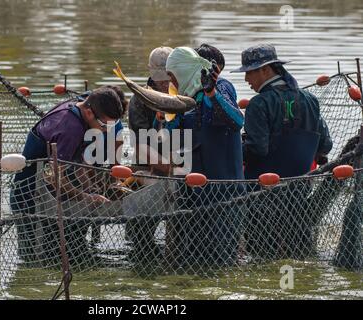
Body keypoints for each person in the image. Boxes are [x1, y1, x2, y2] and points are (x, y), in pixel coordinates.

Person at [231, 44, 333, 259]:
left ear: (266, 70)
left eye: (249, 71)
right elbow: (325, 146)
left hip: (262, 197)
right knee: (300, 255)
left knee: (261, 258)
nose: (246, 78)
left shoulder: (259, 104)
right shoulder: (310, 100)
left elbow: (257, 149)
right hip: (298, 193)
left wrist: (232, 149)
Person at [10, 86, 124, 268]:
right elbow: (53, 178)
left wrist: (89, 186)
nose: (105, 131)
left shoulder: (77, 110)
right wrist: (87, 197)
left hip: (55, 197)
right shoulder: (70, 128)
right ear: (88, 112)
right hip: (30, 198)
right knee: (33, 261)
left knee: (64, 257)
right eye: (104, 125)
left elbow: (76, 164)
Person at [164, 46, 245, 270]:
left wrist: (212, 93)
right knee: (194, 264)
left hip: (224, 195)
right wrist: (169, 116)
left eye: (173, 76)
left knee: (222, 263)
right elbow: (172, 139)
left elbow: (236, 121)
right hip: (195, 195)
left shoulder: (221, 87)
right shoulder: (183, 99)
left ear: (184, 71)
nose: (171, 81)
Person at [126, 47, 174, 275]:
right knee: (142, 226)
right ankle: (141, 260)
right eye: (161, 81)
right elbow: (142, 142)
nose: (165, 85)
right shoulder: (139, 100)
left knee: (179, 221)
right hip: (149, 166)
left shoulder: (181, 93)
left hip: (179, 164)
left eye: (168, 80)